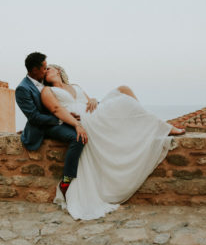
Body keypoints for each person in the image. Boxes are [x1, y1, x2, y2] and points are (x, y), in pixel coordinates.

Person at [41, 65, 185, 220]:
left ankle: (147, 124)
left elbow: (89, 100)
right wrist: (73, 121)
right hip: (82, 118)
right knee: (124, 103)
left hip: (92, 110)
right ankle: (162, 127)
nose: (46, 71)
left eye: (48, 68)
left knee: (124, 90)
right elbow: (55, 110)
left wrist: (94, 100)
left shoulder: (75, 86)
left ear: (58, 70)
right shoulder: (47, 91)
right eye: (44, 70)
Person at [15, 52, 86, 196]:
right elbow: (34, 117)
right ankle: (66, 181)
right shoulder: (22, 88)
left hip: (59, 119)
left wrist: (67, 116)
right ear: (34, 70)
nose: (46, 70)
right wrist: (61, 119)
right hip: (44, 127)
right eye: (44, 68)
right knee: (76, 138)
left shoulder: (44, 81)